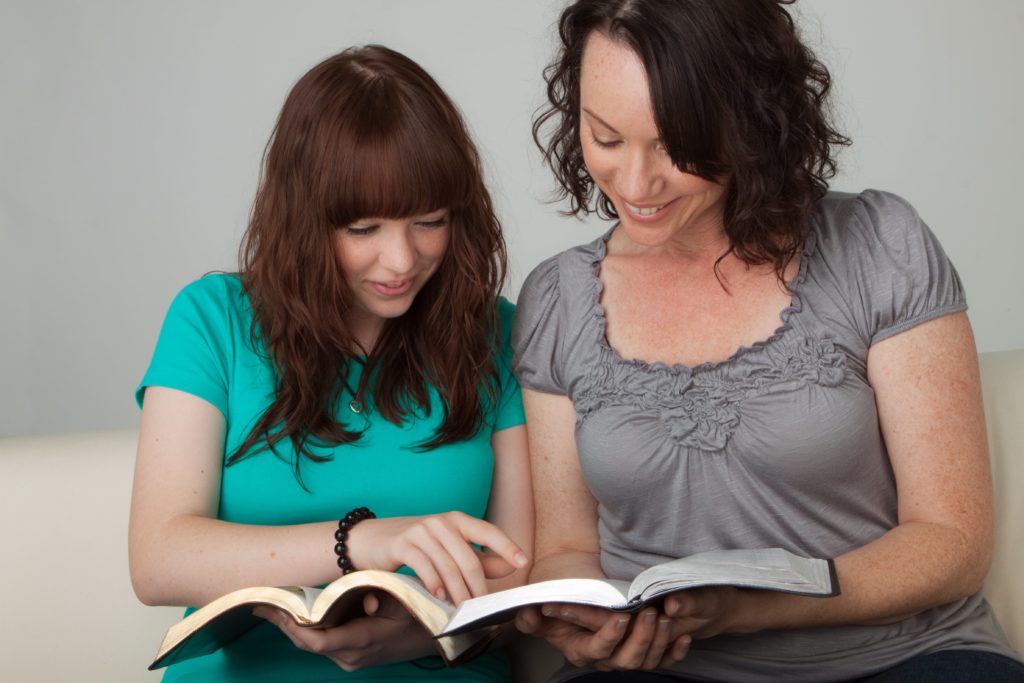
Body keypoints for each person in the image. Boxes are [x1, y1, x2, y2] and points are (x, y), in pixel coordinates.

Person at [512, 1, 1024, 680]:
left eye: (676, 147)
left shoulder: (879, 245)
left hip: (902, 656)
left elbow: (953, 542)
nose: (635, 184)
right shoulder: (557, 299)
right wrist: (584, 624)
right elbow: (567, 549)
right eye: (606, 139)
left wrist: (757, 604)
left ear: (752, 122)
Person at [128, 45, 532, 682]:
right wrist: (360, 543)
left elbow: (522, 581)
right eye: (364, 228)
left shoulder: (498, 333)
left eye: (429, 220)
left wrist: (410, 641)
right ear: (304, 219)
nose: (401, 260)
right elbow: (157, 560)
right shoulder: (211, 319)